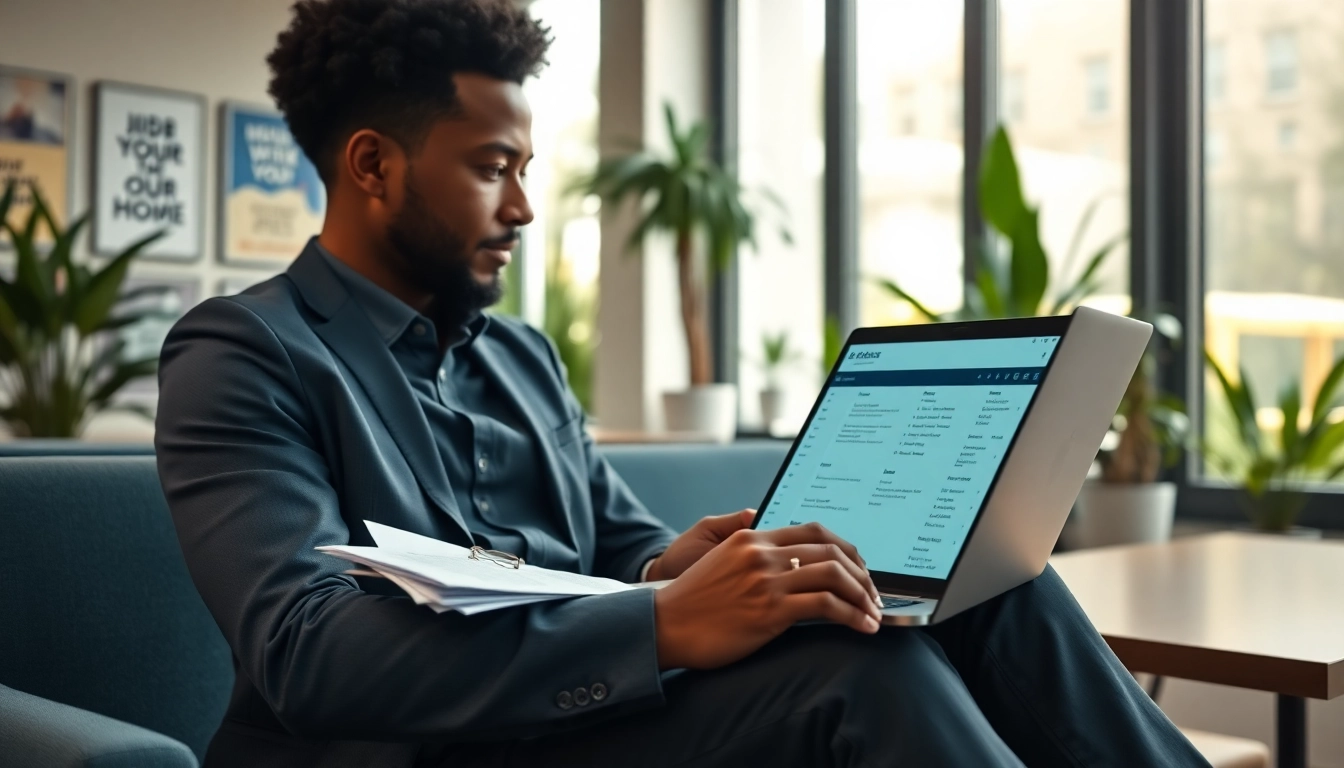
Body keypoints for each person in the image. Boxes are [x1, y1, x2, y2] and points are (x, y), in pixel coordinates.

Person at [154, 1, 1212, 766]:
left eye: (527, 168)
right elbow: (306, 650)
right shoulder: (245, 353)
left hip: (587, 719)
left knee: (974, 590)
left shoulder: (520, 356)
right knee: (864, 672)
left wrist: (676, 563)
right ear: (373, 166)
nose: (524, 207)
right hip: (416, 751)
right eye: (492, 168)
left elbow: (613, 551)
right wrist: (662, 621)